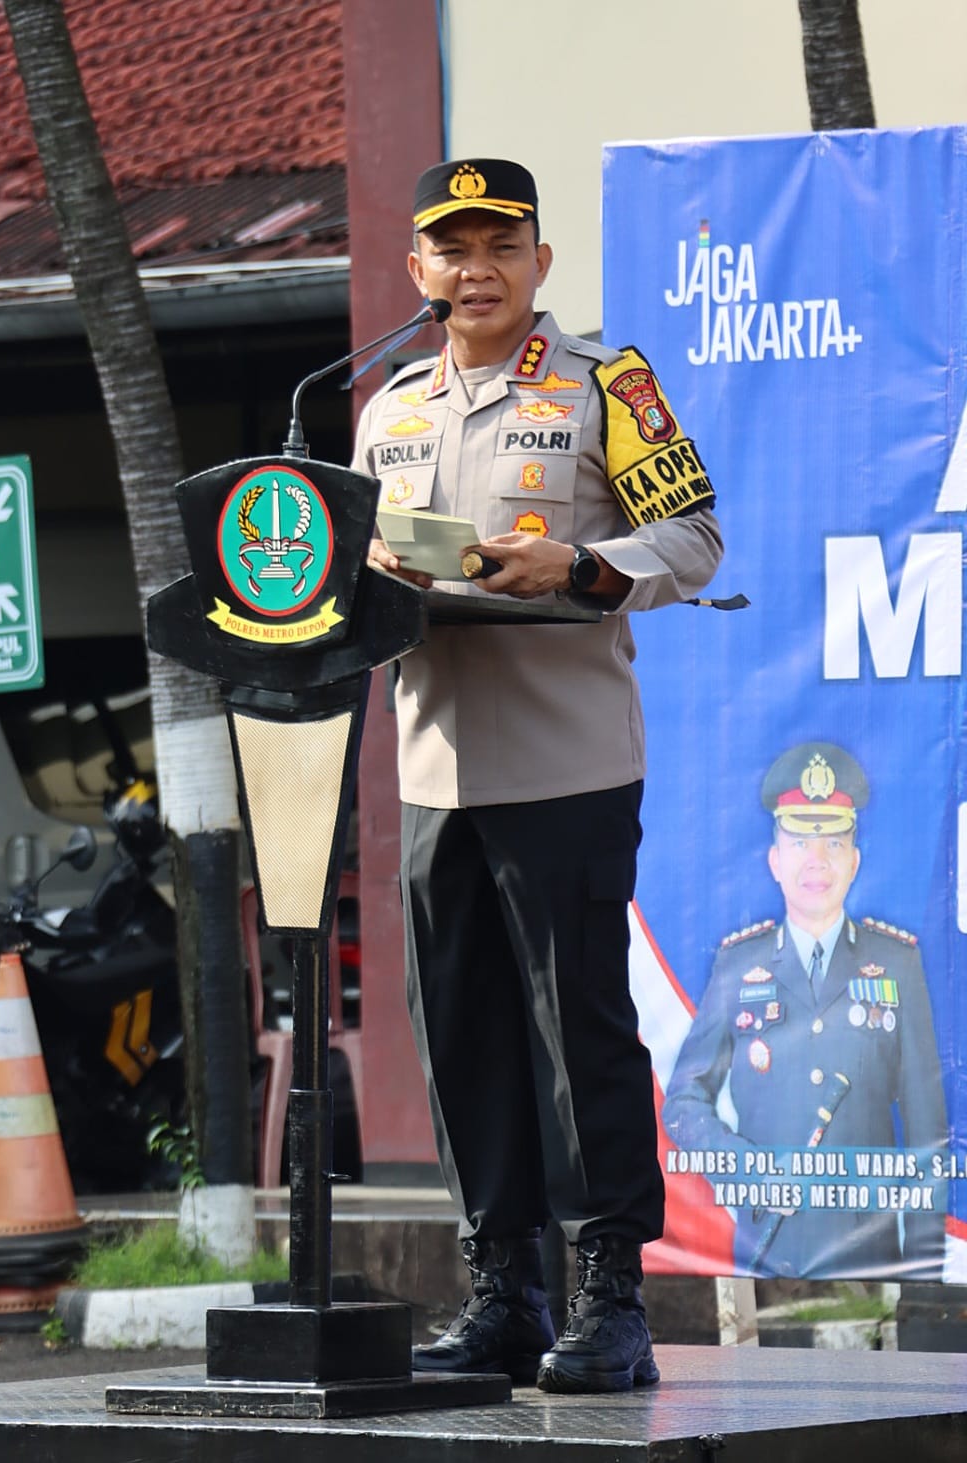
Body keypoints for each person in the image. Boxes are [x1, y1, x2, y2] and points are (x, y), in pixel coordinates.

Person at [353, 158, 723, 1392]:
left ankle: (610, 1291)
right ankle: (502, 1288)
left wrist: (575, 563)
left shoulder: (603, 386)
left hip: (565, 759)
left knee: (581, 1031)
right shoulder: (386, 409)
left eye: (500, 245)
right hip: (432, 763)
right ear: (419, 271)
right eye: (451, 250)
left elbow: (692, 538)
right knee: (460, 1035)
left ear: (539, 263)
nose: (476, 270)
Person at [662, 741, 949, 1280]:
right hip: (767, 1245)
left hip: (872, 1253)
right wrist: (750, 1172)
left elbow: (927, 1130)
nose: (816, 861)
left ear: (854, 861)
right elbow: (682, 1102)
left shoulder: (897, 965)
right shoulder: (736, 964)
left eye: (834, 843)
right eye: (799, 842)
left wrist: (924, 1270)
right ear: (775, 860)